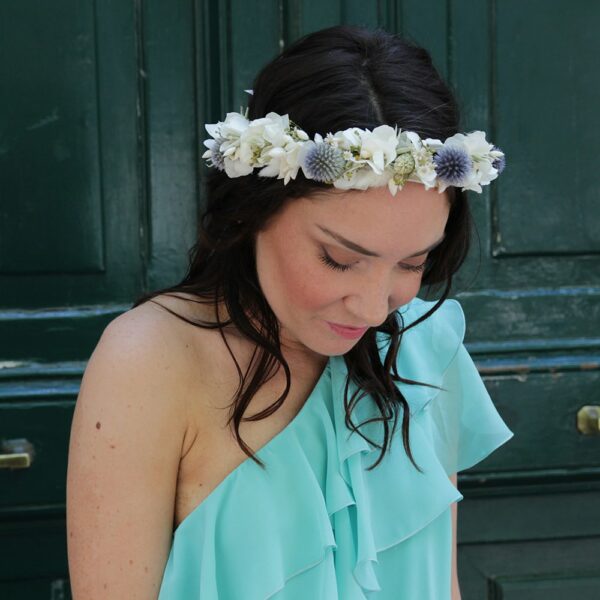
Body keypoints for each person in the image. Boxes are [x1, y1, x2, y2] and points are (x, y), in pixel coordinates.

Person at [66, 24, 513, 599]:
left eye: (413, 263)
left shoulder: (426, 347)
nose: (377, 309)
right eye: (338, 259)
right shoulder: (150, 361)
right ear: (252, 209)